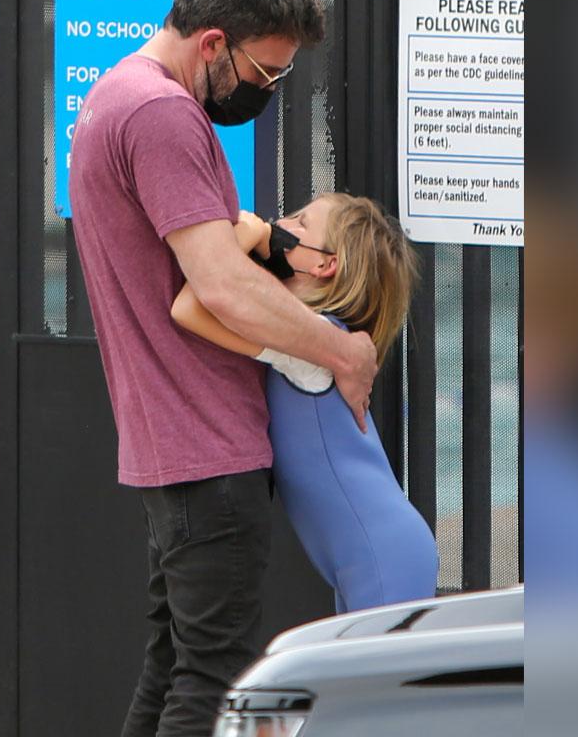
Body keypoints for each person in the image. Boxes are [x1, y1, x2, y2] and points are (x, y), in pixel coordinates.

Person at [67, 0, 379, 737]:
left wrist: (278, 244)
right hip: (208, 446)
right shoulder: (164, 113)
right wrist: (342, 349)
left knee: (176, 665)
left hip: (167, 443)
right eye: (264, 74)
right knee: (213, 679)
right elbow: (217, 285)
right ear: (213, 44)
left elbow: (213, 242)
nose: (267, 91)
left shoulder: (114, 95)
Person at [171, 194, 439, 613]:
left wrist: (252, 232)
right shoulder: (313, 339)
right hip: (371, 554)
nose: (281, 223)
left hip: (384, 555)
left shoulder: (312, 344)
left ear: (324, 264)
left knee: (373, 679)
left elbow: (188, 308)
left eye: (299, 222)